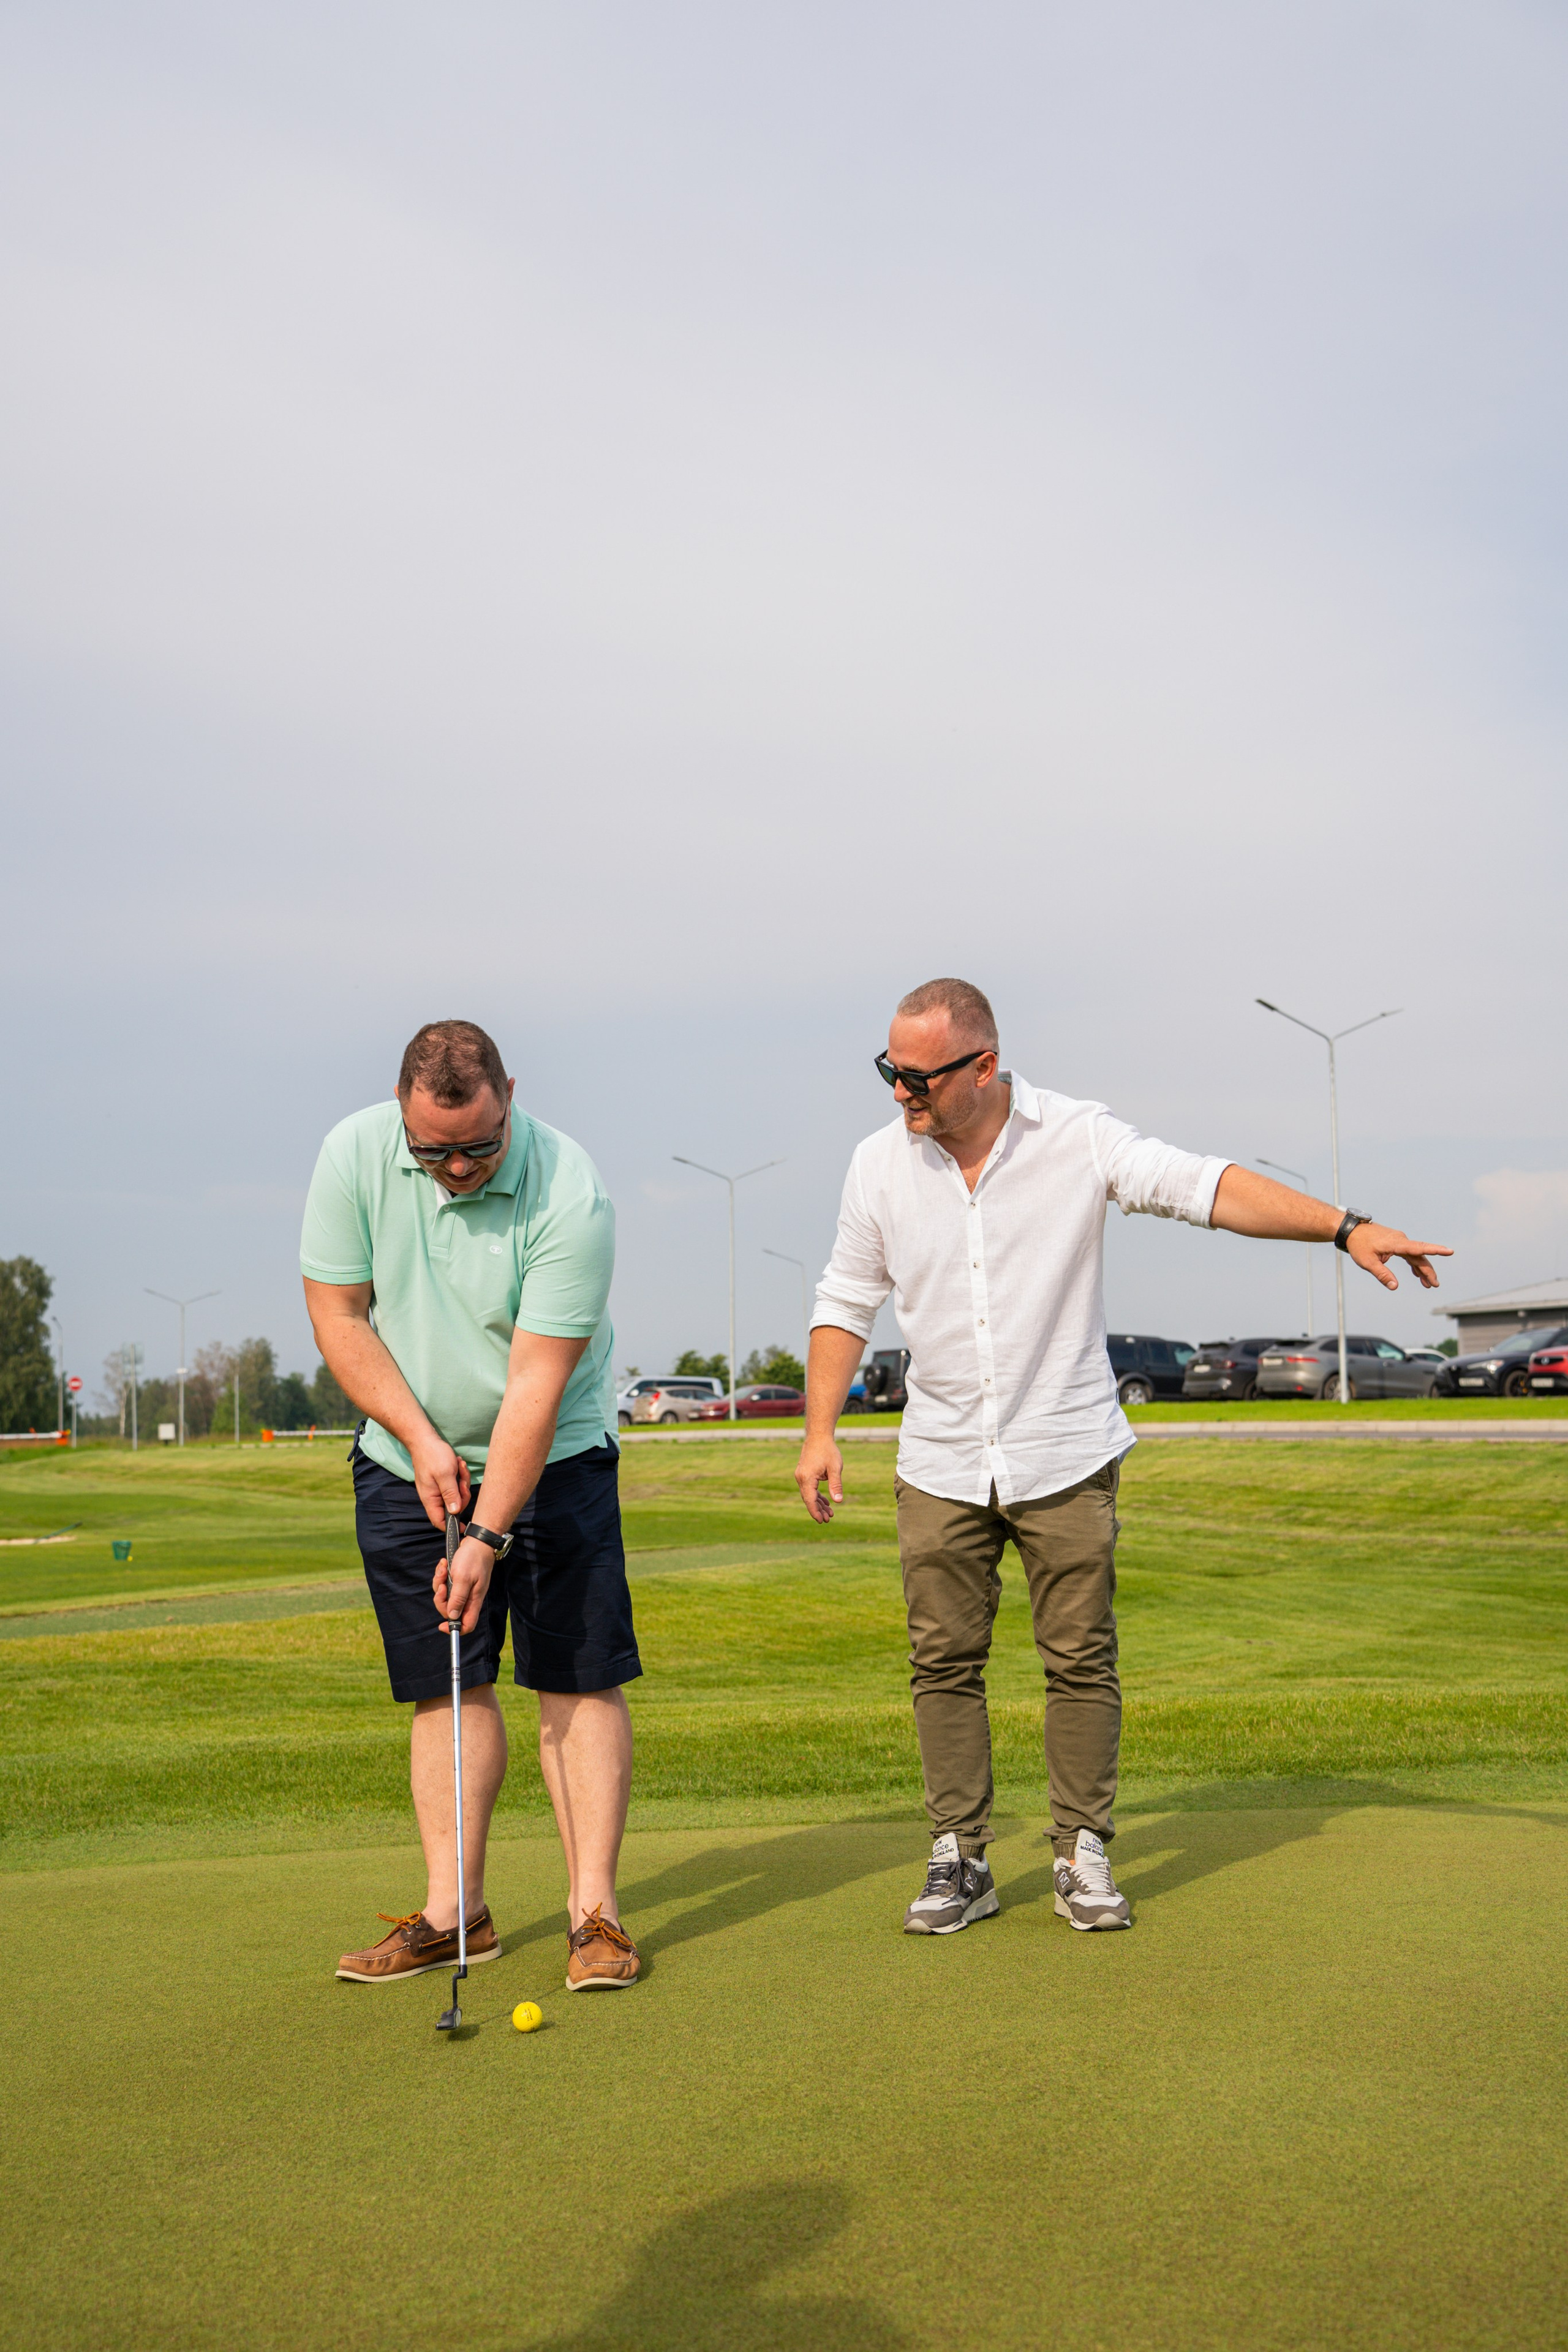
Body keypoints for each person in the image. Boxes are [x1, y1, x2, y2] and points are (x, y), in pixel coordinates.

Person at [794, 978, 1450, 1936]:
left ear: (984, 1065)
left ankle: (1080, 1851)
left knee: (1080, 1660)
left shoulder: (1078, 1136)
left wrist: (1345, 1228)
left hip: (1065, 1450)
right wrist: (820, 1431)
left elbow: (1207, 1188)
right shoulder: (877, 1165)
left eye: (920, 1078)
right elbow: (845, 1298)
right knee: (942, 1663)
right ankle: (961, 1858)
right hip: (938, 1458)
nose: (901, 1095)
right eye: (890, 1073)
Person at [302, 1019, 643, 1992]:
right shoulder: (353, 1155)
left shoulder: (569, 1189)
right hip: (403, 1452)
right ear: (401, 1120)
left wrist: (488, 1530)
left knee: (575, 1677)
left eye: (478, 1146)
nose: (457, 1167)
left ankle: (596, 1917)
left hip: (556, 1455)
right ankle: (458, 1916)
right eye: (434, 1150)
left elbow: (535, 1387)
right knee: (445, 1680)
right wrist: (417, 1440)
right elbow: (339, 1314)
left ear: (510, 1099)